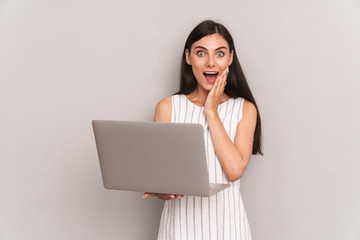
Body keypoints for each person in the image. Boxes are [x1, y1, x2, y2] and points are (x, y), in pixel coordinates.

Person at [143, 20, 262, 240]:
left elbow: (234, 170)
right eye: (201, 53)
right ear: (188, 57)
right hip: (178, 230)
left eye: (219, 54)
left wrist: (211, 111)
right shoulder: (168, 107)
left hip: (228, 229)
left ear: (230, 59)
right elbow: (161, 176)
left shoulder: (244, 109)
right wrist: (161, 190)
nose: (210, 63)